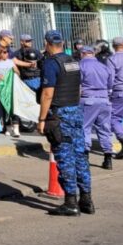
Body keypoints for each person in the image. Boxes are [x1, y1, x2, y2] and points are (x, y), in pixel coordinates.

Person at [37, 30, 93, 216]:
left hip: (60, 114)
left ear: (47, 43)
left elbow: (47, 93)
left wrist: (42, 119)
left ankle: (71, 203)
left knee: (65, 157)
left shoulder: (51, 63)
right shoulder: (73, 61)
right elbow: (78, 88)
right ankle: (86, 199)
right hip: (75, 111)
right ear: (62, 43)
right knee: (80, 156)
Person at [78, 44, 115, 170]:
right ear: (93, 54)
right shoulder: (103, 66)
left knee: (84, 128)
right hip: (104, 100)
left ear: (82, 54)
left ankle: (84, 158)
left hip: (88, 100)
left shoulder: (81, 65)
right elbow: (110, 84)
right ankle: (108, 158)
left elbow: (78, 84)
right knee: (105, 129)